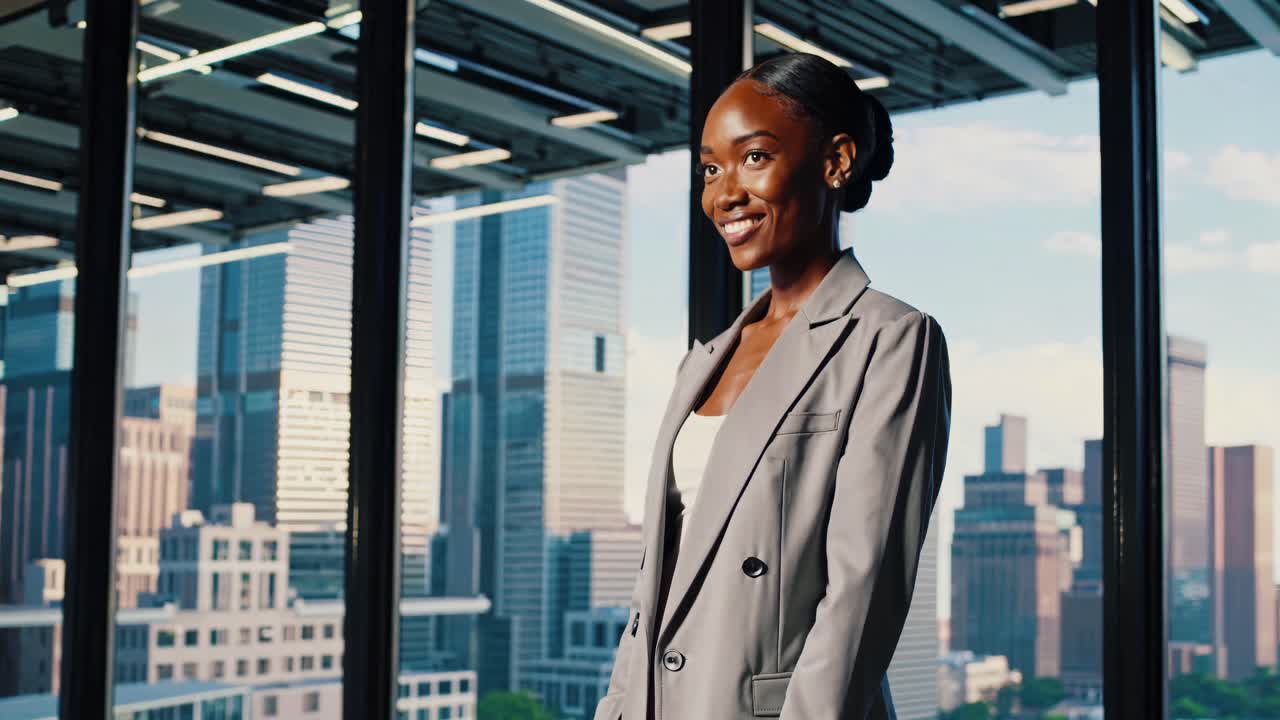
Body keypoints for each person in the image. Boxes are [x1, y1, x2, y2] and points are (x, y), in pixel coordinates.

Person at [593, 52, 952, 720]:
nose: (723, 191)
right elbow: (653, 595)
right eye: (710, 168)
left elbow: (860, 597)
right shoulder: (702, 361)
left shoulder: (891, 339)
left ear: (837, 162)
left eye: (753, 157)